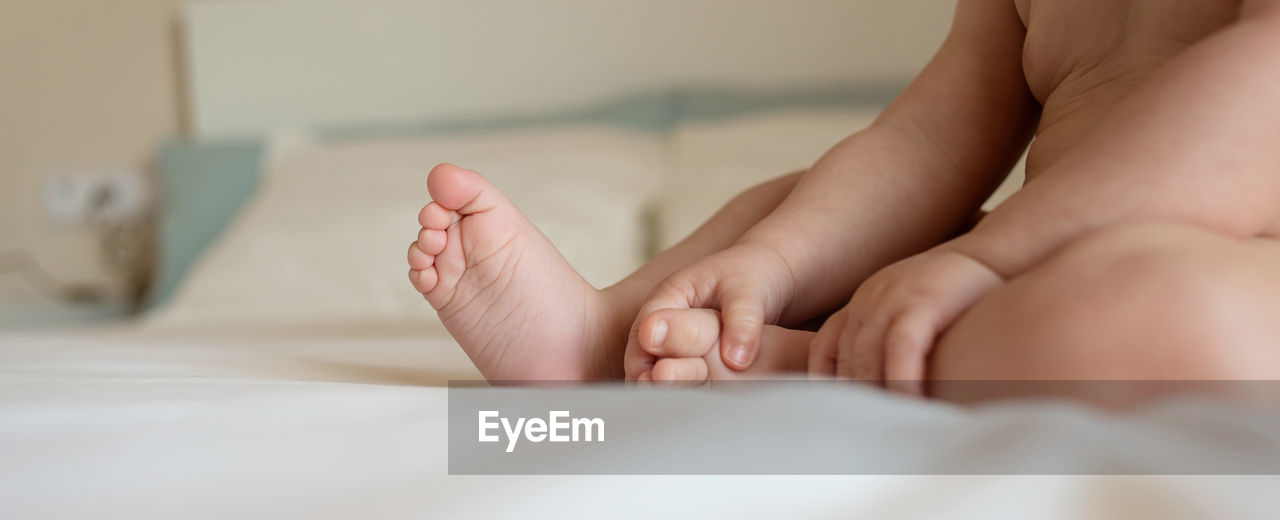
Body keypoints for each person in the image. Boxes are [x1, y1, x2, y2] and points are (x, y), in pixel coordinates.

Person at [406, 0, 1280, 403]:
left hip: (1231, 265)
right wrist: (774, 264)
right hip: (1012, 266)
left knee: (1166, 316)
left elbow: (1259, 102)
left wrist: (986, 257)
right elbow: (927, 144)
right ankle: (606, 337)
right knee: (792, 204)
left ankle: (791, 364)